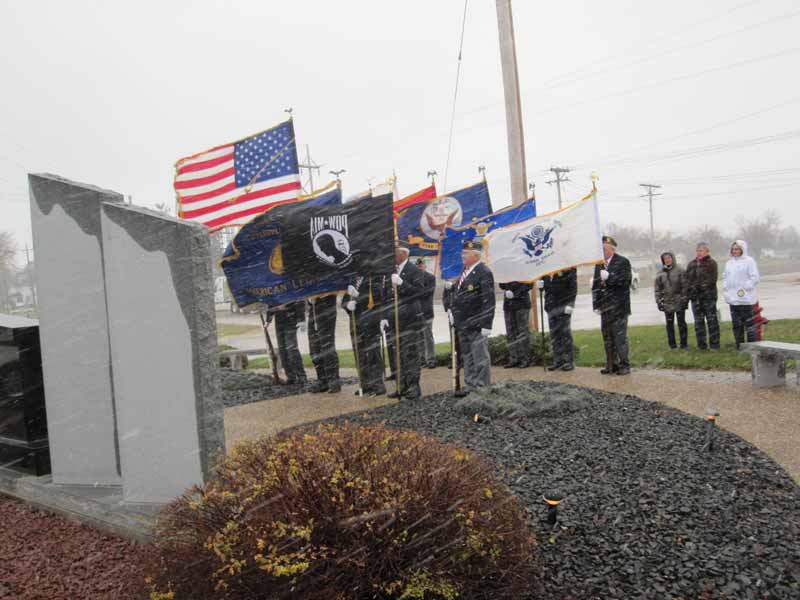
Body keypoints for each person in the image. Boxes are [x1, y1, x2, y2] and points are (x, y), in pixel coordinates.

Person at [449, 239, 495, 395]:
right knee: (467, 356)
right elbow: (458, 296)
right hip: (463, 323)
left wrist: (487, 324)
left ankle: (482, 387)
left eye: (466, 253)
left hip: (476, 322)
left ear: (476, 255)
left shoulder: (483, 271)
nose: (462, 256)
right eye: (463, 253)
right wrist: (452, 311)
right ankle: (471, 385)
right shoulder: (465, 271)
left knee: (480, 357)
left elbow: (488, 300)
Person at [380, 241, 425, 400]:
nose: (392, 255)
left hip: (409, 319)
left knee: (410, 354)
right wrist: (384, 316)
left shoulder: (414, 270)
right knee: (396, 355)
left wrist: (402, 284)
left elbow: (419, 293)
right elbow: (385, 297)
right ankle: (401, 385)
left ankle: (413, 387)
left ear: (404, 253)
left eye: (395, 252)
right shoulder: (391, 271)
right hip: (394, 320)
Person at [592, 235, 632, 375]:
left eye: (604, 248)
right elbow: (596, 286)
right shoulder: (599, 264)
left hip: (619, 306)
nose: (602, 251)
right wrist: (596, 305)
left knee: (620, 337)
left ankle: (624, 365)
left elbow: (626, 281)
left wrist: (610, 278)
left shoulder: (623, 262)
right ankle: (611, 364)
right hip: (605, 307)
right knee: (607, 337)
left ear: (612, 249)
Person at [343, 275, 386, 396]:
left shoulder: (373, 278)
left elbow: (377, 299)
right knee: (360, 355)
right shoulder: (351, 280)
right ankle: (365, 384)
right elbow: (343, 301)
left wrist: (358, 297)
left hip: (370, 321)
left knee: (373, 354)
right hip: (355, 323)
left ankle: (378, 384)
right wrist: (347, 305)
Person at [722, 239, 760, 349]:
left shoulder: (749, 261)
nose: (735, 251)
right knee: (737, 325)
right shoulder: (729, 263)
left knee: (750, 325)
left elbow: (755, 277)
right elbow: (725, 277)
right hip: (733, 300)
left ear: (742, 249)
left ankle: (752, 347)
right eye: (733, 249)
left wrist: (747, 286)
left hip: (746, 299)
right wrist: (726, 290)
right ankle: (740, 346)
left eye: (737, 249)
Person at [685, 242, 720, 350]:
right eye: (698, 250)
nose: (699, 253)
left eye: (701, 250)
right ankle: (701, 345)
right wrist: (691, 291)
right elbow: (687, 280)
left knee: (712, 321)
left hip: (708, 297)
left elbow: (711, 280)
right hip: (695, 299)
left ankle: (714, 345)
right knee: (698, 323)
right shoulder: (691, 264)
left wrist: (700, 288)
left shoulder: (712, 263)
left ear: (707, 251)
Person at [542, 268, 577, 371]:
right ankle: (558, 361)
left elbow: (573, 288)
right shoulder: (546, 271)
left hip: (563, 306)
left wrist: (570, 304)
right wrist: (541, 286)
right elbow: (547, 289)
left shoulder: (568, 268)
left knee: (565, 335)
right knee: (555, 335)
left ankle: (568, 361)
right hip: (551, 307)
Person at [306, 293, 341, 393]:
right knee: (314, 347)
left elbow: (332, 289)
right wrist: (309, 299)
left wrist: (320, 295)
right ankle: (322, 379)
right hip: (314, 310)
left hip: (326, 309)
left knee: (327, 346)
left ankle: (333, 380)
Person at [654, 252, 688, 349]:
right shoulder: (660, 273)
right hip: (667, 302)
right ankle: (672, 345)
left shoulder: (680, 270)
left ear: (672, 258)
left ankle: (684, 344)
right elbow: (657, 289)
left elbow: (685, 286)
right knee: (669, 324)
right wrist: (659, 301)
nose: (667, 260)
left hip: (679, 300)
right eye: (665, 259)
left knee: (681, 323)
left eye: (669, 258)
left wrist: (684, 299)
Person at [269, 301, 307, 385]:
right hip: (279, 319)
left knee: (291, 350)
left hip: (290, 318)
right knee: (282, 351)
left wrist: (301, 319)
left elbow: (299, 300)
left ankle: (301, 376)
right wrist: (271, 314)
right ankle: (290, 376)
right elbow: (270, 301)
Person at [498, 281, 532, 368]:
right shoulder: (506, 270)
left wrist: (515, 294)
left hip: (521, 304)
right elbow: (502, 285)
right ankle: (514, 358)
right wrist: (505, 286)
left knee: (522, 332)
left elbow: (529, 284)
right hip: (509, 305)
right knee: (510, 333)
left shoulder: (524, 268)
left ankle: (525, 359)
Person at [416, 258, 437, 368]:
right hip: (416, 312)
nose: (420, 267)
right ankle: (422, 360)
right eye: (418, 266)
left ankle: (431, 360)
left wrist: (415, 291)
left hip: (426, 311)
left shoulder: (430, 278)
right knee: (419, 338)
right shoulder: (414, 277)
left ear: (424, 265)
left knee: (428, 337)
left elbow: (427, 293)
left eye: (421, 265)